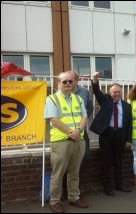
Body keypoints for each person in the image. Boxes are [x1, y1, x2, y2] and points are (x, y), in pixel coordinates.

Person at [44, 71, 88, 213]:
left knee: (74, 172)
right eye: (64, 82)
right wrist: (71, 132)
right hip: (61, 141)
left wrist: (78, 131)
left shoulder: (78, 99)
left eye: (70, 81)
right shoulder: (52, 99)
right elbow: (54, 120)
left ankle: (74, 197)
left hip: (78, 140)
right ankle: (55, 201)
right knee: (58, 173)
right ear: (58, 83)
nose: (68, 83)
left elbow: (85, 116)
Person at [89, 71, 133, 196]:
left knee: (118, 161)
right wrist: (95, 80)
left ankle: (119, 184)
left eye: (119, 92)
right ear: (110, 93)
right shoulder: (105, 101)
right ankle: (107, 186)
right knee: (106, 161)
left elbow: (129, 124)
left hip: (120, 135)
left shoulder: (126, 106)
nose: (117, 94)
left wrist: (128, 139)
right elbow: (96, 91)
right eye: (114, 92)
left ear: (122, 92)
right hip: (107, 134)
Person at [60, 71, 93, 199]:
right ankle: (64, 189)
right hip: (66, 133)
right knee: (65, 161)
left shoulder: (84, 92)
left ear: (76, 80)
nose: (68, 82)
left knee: (84, 157)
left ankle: (74, 187)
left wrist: (81, 123)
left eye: (71, 80)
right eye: (66, 80)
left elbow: (89, 108)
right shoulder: (60, 94)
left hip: (81, 131)